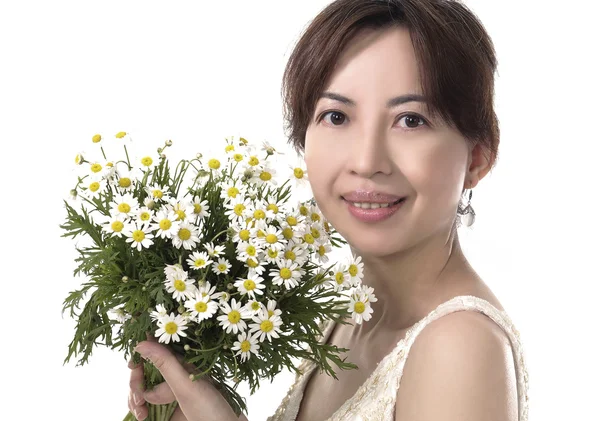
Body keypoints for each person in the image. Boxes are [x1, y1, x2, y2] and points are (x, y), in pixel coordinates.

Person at [129, 0, 529, 420]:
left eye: (411, 120)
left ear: (479, 158)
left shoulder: (460, 345)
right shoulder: (346, 315)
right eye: (336, 116)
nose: (366, 160)